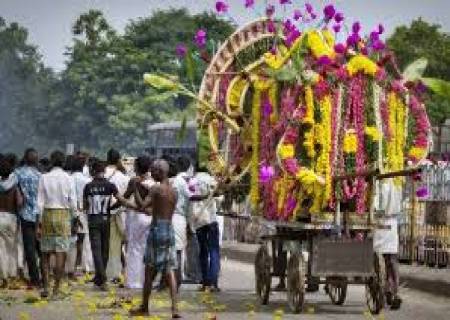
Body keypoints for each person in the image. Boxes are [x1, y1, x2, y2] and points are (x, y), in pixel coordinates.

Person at [130, 159, 180, 318]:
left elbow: (142, 205)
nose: (151, 173)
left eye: (153, 171)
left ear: (160, 172)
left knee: (149, 269)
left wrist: (134, 189)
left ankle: (145, 307)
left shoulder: (156, 189)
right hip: (169, 229)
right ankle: (175, 308)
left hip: (157, 228)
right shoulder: (173, 191)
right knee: (169, 269)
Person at [83, 160, 135, 291]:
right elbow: (121, 200)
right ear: (104, 171)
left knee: (96, 250)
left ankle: (102, 278)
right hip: (106, 220)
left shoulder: (88, 187)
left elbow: (85, 206)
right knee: (105, 249)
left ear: (93, 171)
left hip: (93, 221)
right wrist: (134, 206)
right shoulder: (110, 185)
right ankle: (101, 278)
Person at [37, 151, 77, 298]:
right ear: (64, 162)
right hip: (63, 216)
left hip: (47, 214)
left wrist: (38, 224)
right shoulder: (68, 178)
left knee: (45, 253)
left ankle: (46, 287)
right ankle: (56, 290)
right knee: (61, 253)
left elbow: (39, 203)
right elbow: (72, 202)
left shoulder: (43, 177)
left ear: (52, 162)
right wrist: (76, 219)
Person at [122, 155, 154, 289]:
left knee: (134, 249)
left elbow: (125, 197)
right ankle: (145, 281)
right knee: (146, 249)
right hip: (150, 217)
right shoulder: (153, 183)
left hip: (137, 217)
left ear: (137, 167)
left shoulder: (134, 181)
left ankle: (134, 281)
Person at [189, 167, 222, 292]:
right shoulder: (212, 180)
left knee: (203, 251)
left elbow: (190, 199)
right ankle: (213, 282)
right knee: (214, 250)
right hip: (211, 219)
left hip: (199, 220)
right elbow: (219, 198)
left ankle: (205, 282)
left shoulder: (192, 181)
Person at [13, 149, 42, 288]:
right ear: (36, 160)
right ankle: (45, 275)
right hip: (39, 215)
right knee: (41, 248)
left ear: (24, 158)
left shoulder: (18, 173)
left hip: (24, 214)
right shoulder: (40, 175)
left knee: (29, 248)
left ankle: (34, 279)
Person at [374, 179, 402, 310]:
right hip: (391, 223)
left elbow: (376, 206)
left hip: (380, 223)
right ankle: (393, 292)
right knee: (391, 260)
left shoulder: (380, 183)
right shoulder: (396, 181)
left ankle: (389, 291)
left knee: (383, 260)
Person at [104, 149, 130, 282]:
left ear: (107, 159)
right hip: (122, 214)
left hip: (105, 213)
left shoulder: (103, 173)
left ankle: (112, 272)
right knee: (120, 244)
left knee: (109, 244)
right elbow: (126, 198)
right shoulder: (124, 177)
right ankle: (122, 271)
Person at [0, 155, 23, 288]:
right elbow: (19, 202)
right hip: (11, 217)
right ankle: (13, 276)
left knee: (1, 248)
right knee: (12, 248)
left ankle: (4, 277)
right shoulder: (14, 185)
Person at [171, 156, 193, 287]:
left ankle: (176, 280)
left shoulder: (180, 180)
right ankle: (176, 280)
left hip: (179, 217)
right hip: (180, 217)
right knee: (177, 250)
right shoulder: (185, 180)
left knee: (177, 250)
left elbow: (191, 196)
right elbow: (192, 196)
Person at [71, 156, 93, 274]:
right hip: (83, 212)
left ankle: (72, 267)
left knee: (73, 240)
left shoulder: (69, 179)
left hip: (71, 211)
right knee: (83, 240)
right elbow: (89, 200)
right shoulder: (87, 181)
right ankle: (82, 266)